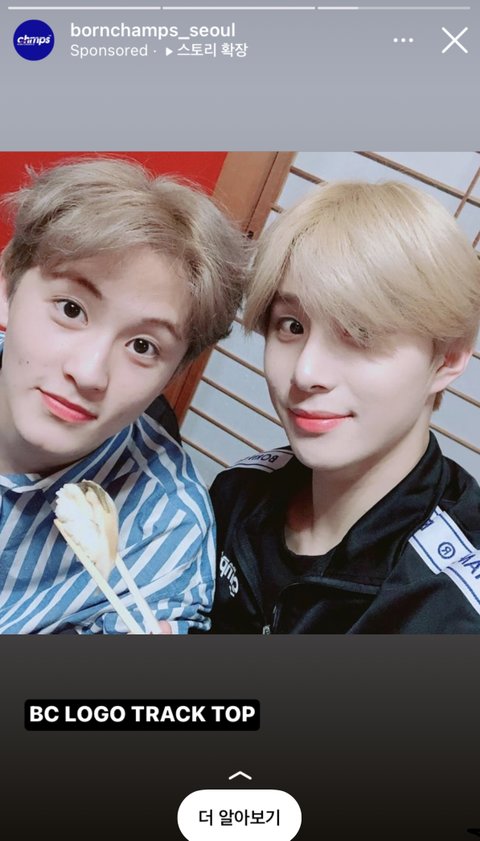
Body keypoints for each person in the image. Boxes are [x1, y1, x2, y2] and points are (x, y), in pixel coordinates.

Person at [210, 179, 480, 634]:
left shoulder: (451, 607)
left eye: (360, 332)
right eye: (292, 326)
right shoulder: (238, 493)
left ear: (447, 358)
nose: (306, 372)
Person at [0, 157, 248, 634]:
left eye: (142, 346)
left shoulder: (163, 534)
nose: (89, 373)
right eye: (71, 309)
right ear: (8, 286)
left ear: (175, 370)